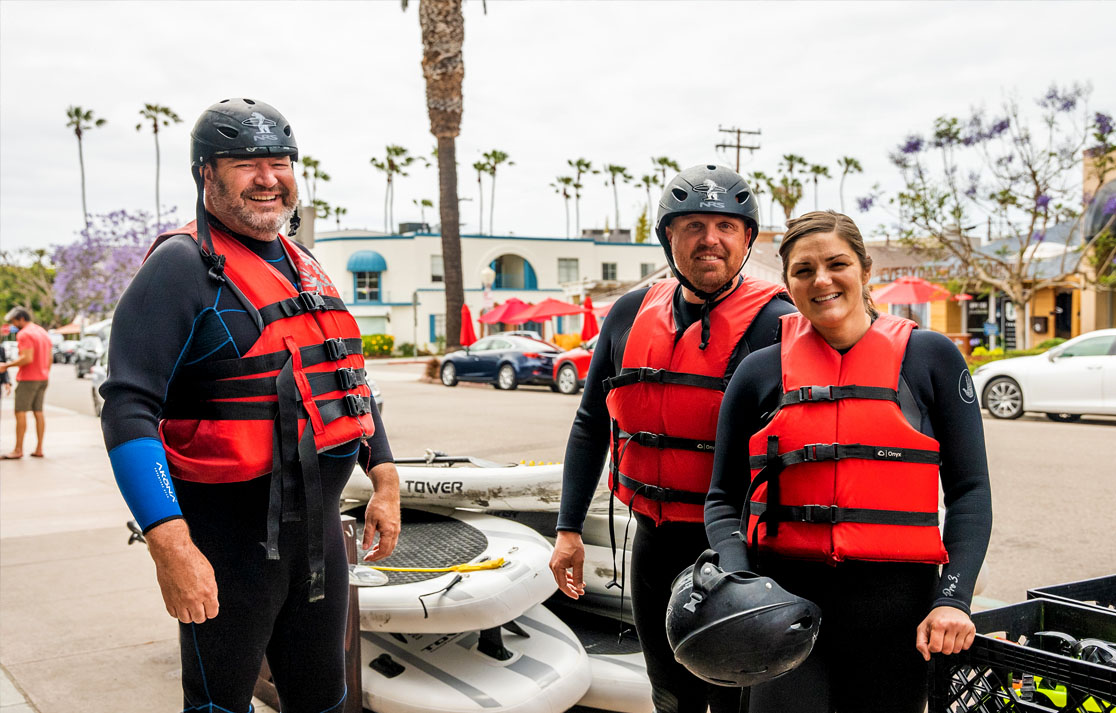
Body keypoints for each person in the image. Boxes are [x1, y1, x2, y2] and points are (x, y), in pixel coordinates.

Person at [100, 99, 401, 713]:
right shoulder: (179, 269)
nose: (268, 178)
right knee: (218, 706)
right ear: (206, 174)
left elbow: (344, 375)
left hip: (317, 542)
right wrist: (170, 544)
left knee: (325, 700)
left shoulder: (301, 264)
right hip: (226, 544)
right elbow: (127, 407)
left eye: (280, 162)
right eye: (245, 163)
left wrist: (386, 476)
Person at [705, 211, 992, 712]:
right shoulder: (758, 372)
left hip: (895, 609)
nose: (822, 280)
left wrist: (953, 598)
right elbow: (723, 499)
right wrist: (740, 581)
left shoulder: (931, 359)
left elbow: (970, 492)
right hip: (782, 603)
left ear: (865, 269)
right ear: (788, 283)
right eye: (803, 270)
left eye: (837, 263)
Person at [549, 164, 795, 713]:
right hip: (655, 542)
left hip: (742, 547)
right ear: (668, 237)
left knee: (737, 697)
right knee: (669, 693)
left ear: (748, 239)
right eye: (693, 226)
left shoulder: (780, 323)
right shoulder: (628, 315)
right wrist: (568, 528)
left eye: (727, 227)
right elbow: (591, 424)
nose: (710, 239)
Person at [1, 306, 53, 459]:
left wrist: (6, 366)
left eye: (14, 321)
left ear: (21, 319)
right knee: (38, 412)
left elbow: (27, 358)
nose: (13, 325)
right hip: (43, 377)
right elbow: (49, 357)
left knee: (20, 412)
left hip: (28, 378)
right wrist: (45, 372)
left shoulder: (24, 334)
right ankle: (39, 448)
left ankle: (18, 449)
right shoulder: (42, 331)